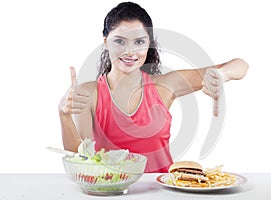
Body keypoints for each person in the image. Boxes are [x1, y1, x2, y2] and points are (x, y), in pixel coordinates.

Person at [58, 2, 249, 172]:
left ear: (149, 43)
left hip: (163, 192)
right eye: (119, 41)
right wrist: (64, 115)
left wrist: (221, 76)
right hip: (111, 193)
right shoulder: (88, 93)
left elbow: (240, 65)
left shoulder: (165, 85)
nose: (130, 51)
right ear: (106, 41)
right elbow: (81, 158)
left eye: (139, 42)